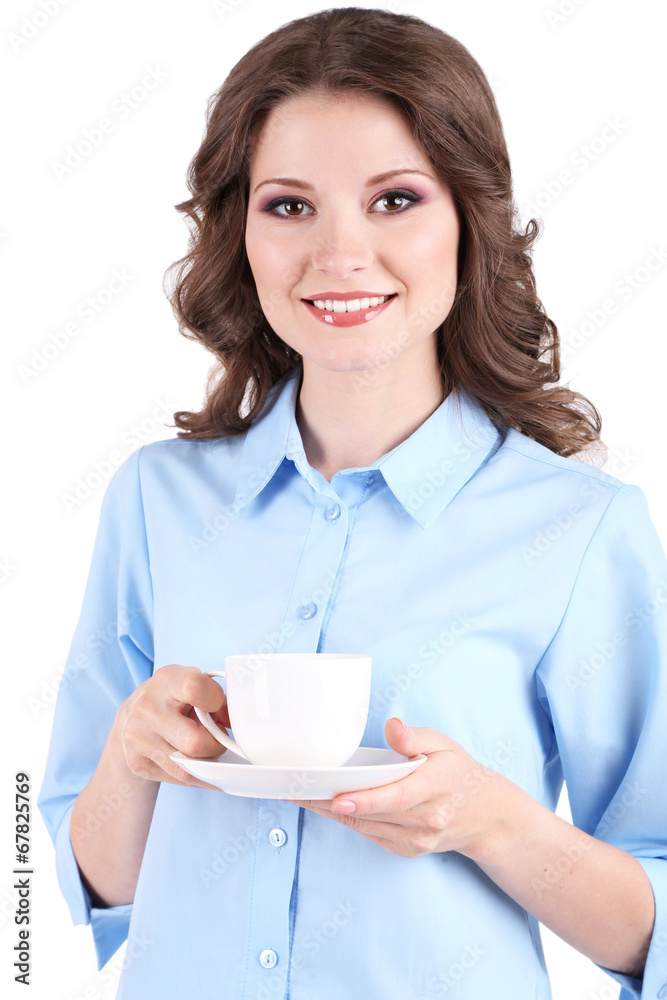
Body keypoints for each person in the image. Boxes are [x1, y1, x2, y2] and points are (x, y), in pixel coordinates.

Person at [38, 7, 667, 999]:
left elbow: (654, 921)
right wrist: (129, 754)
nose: (338, 256)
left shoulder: (579, 528)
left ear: (468, 222)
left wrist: (490, 819)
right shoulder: (155, 501)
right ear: (237, 229)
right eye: (290, 205)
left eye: (395, 199)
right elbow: (85, 887)